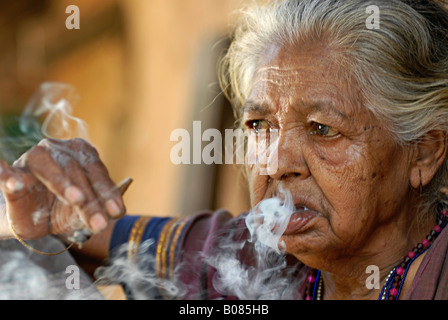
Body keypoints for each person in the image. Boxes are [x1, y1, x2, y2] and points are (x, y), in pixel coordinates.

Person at [1, 0, 448, 300]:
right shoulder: (243, 254)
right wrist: (47, 213)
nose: (274, 163)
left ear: (424, 152)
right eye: (259, 126)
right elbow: (72, 234)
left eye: (321, 128)